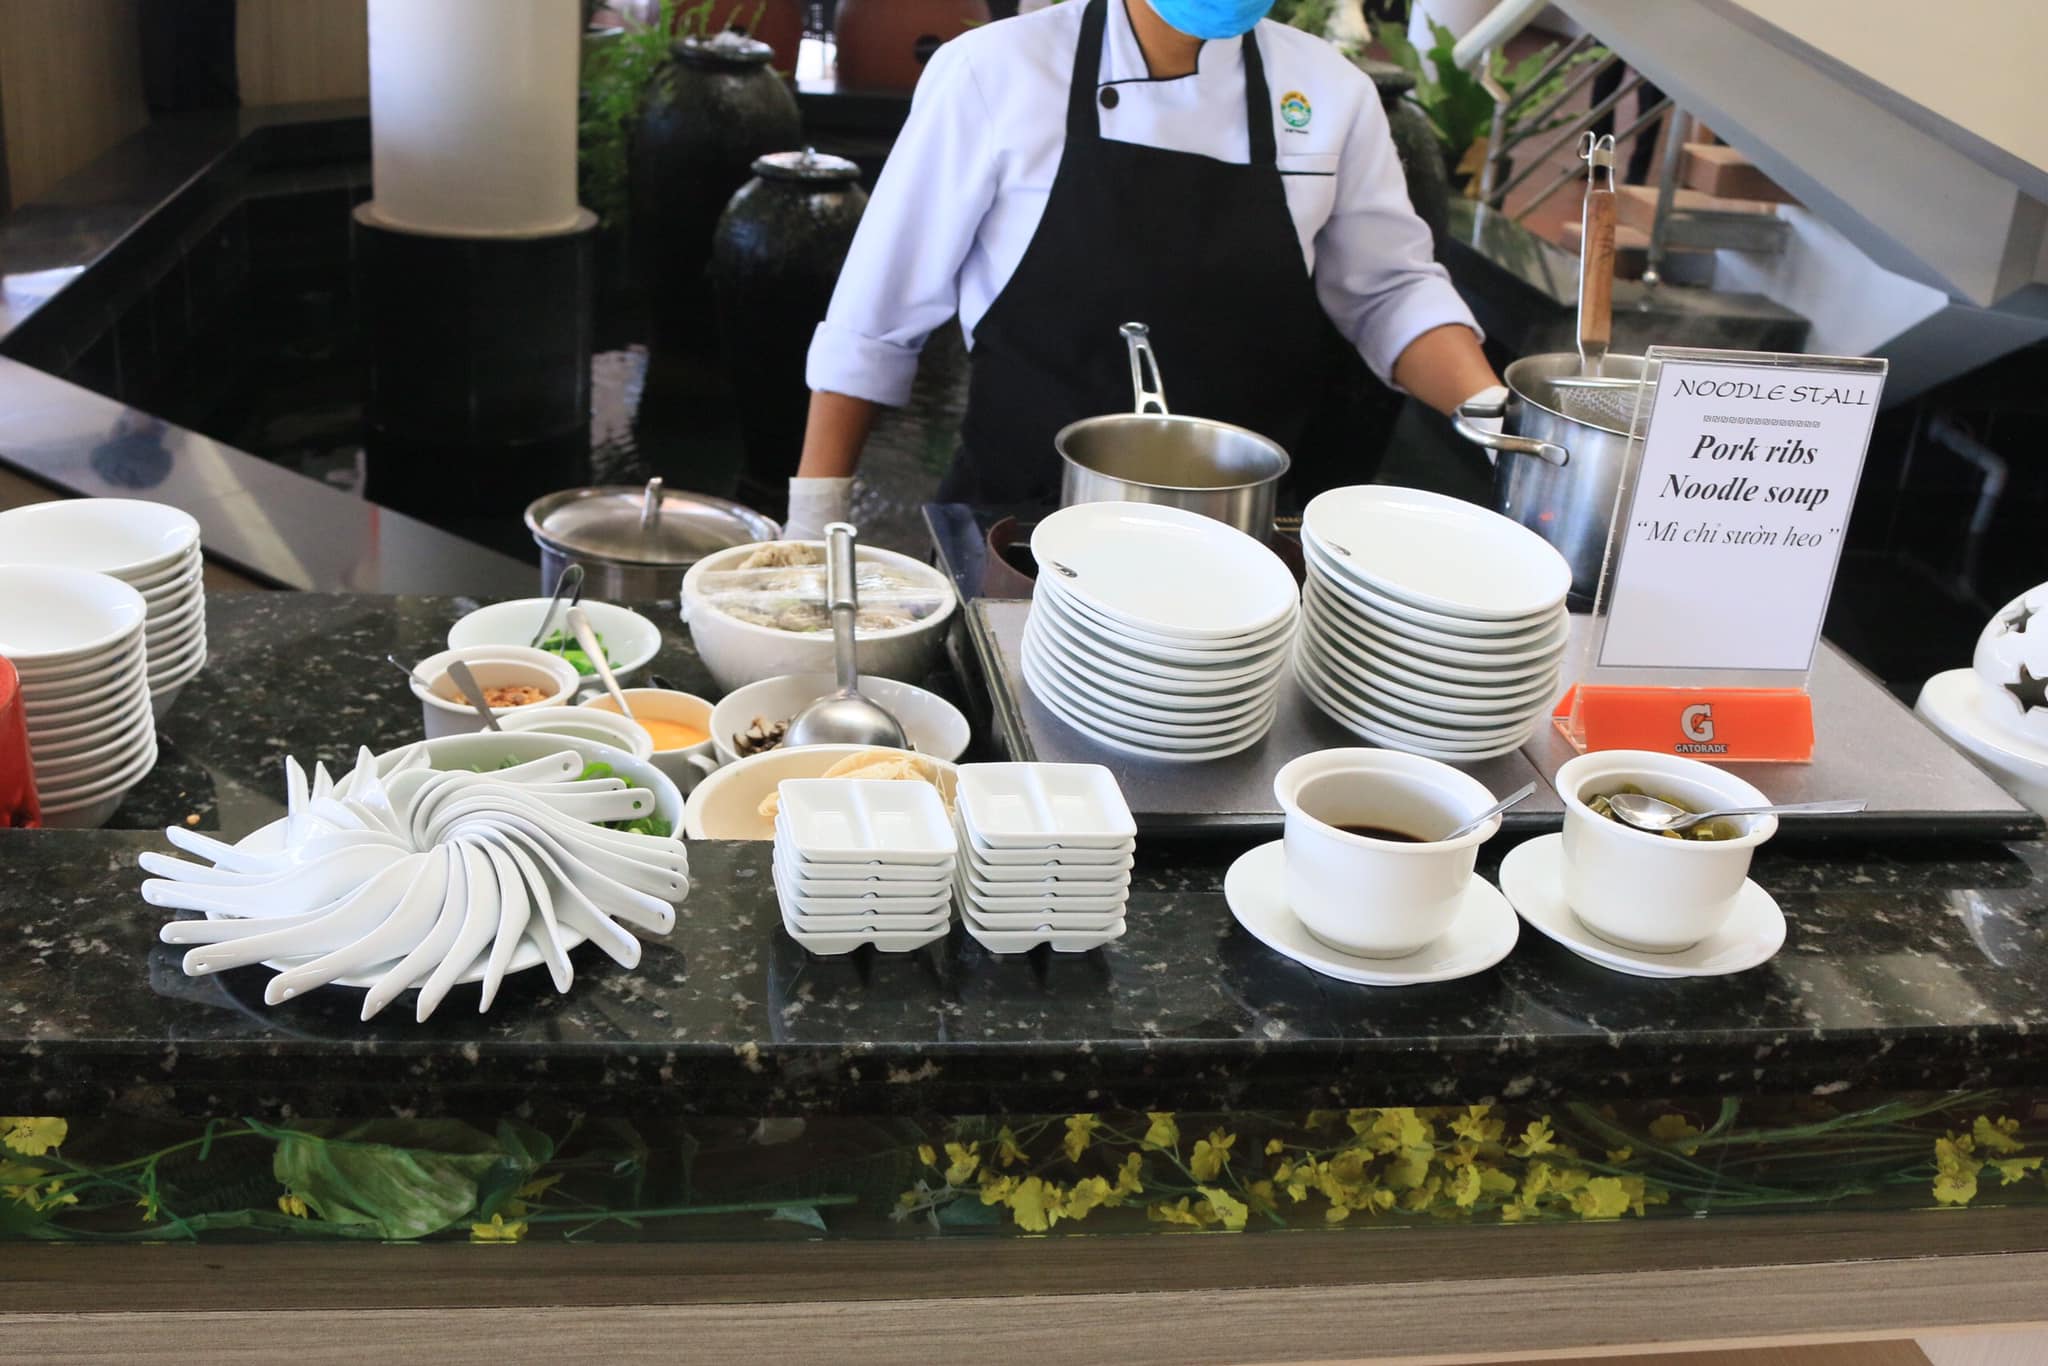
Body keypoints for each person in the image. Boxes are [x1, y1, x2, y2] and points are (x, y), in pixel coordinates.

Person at [785, 0, 1504, 539]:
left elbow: (1390, 292)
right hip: (1016, 535)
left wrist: (1505, 425)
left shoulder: (1330, 93)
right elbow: (874, 321)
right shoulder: (996, 72)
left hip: (1237, 549)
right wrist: (813, 525)